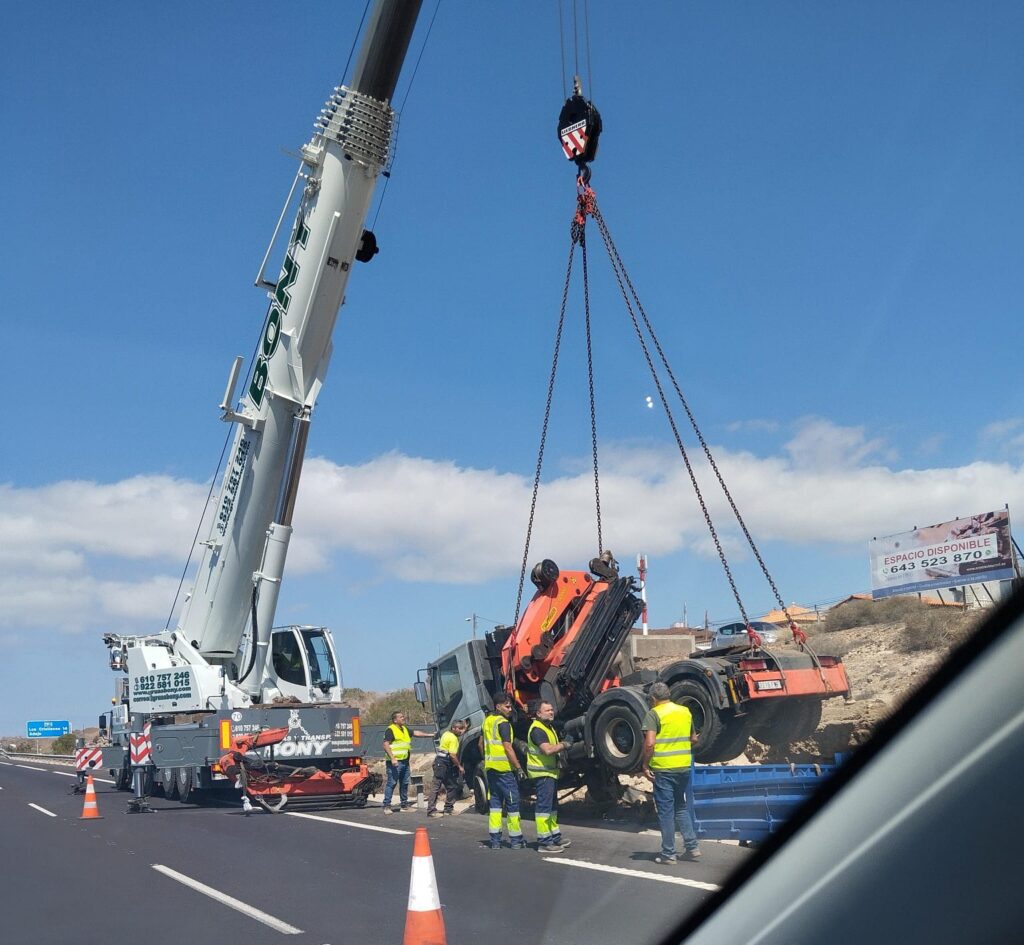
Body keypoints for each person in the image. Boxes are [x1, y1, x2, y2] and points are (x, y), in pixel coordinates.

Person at [641, 681, 701, 864]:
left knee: (666, 812)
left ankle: (668, 853)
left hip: (664, 769)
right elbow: (694, 739)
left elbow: (650, 743)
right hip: (683, 767)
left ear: (653, 698)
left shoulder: (654, 714)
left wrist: (645, 764)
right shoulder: (684, 711)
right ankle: (692, 847)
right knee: (680, 806)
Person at [479, 692, 526, 849]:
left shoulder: (487, 722)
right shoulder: (503, 723)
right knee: (513, 805)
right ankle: (516, 840)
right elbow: (507, 747)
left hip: (491, 769)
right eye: (507, 706)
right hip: (505, 770)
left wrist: (487, 759)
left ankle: (495, 841)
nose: (510, 708)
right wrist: (518, 767)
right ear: (498, 706)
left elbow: (480, 745)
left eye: (510, 705)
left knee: (495, 805)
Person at [526, 700, 573, 853]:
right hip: (542, 774)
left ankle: (554, 836)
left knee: (552, 808)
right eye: (547, 710)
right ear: (538, 713)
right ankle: (544, 842)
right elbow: (547, 750)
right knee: (544, 808)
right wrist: (564, 745)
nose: (551, 712)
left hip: (550, 773)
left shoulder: (548, 727)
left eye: (552, 709)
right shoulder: (537, 730)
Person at [382, 710, 433, 814]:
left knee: (404, 783)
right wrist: (392, 758)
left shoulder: (404, 729)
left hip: (405, 761)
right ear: (395, 720)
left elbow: (416, 733)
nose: (403, 718)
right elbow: (386, 744)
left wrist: (429, 735)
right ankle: (387, 806)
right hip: (395, 762)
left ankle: (404, 805)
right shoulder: (390, 730)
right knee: (392, 783)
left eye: (403, 716)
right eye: (401, 717)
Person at [426, 719, 467, 817]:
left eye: (462, 729)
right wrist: (459, 766)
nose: (461, 731)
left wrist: (465, 727)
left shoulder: (446, 733)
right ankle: (431, 811)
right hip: (442, 763)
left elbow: (460, 732)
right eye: (459, 729)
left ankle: (448, 808)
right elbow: (453, 755)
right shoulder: (453, 738)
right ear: (454, 728)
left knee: (451, 785)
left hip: (442, 762)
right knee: (436, 786)